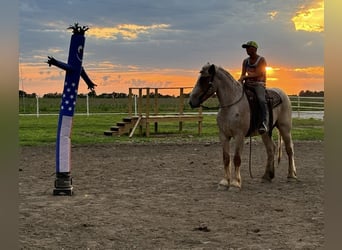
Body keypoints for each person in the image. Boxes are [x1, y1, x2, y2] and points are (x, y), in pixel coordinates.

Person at [238, 41, 268, 134]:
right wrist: (239, 82)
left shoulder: (261, 60)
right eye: (246, 48)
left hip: (258, 84)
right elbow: (242, 74)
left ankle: (263, 121)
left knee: (261, 100)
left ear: (255, 49)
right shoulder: (245, 61)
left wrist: (245, 77)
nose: (247, 50)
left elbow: (259, 73)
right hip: (248, 84)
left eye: (249, 48)